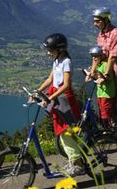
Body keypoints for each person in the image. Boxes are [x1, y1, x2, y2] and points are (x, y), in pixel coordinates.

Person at [34, 33, 84, 176]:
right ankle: (73, 160)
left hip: (65, 101)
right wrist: (37, 92)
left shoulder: (66, 62)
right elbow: (50, 79)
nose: (48, 53)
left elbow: (66, 85)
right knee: (64, 133)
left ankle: (78, 164)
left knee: (65, 134)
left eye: (50, 50)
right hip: (58, 99)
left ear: (60, 49)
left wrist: (50, 97)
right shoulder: (57, 61)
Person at [90, 7, 117, 141]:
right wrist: (92, 72)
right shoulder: (101, 35)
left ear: (106, 19)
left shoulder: (116, 33)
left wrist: (105, 75)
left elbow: (113, 57)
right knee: (110, 106)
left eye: (97, 21)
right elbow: (98, 56)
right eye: (94, 21)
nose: (94, 24)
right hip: (109, 78)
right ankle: (112, 131)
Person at [87, 46, 116, 128]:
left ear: (101, 56)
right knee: (102, 113)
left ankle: (108, 132)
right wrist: (91, 75)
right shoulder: (98, 65)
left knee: (105, 115)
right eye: (92, 56)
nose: (94, 58)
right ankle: (106, 130)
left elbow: (109, 78)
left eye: (95, 56)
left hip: (107, 94)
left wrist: (103, 77)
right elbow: (96, 76)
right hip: (100, 93)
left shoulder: (106, 65)